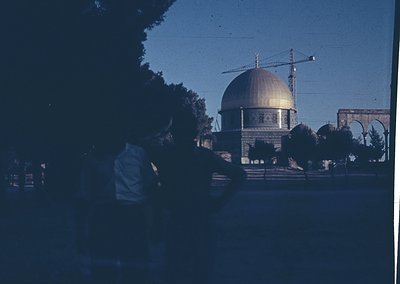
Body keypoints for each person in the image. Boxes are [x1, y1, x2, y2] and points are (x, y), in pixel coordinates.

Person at [153, 110, 246, 284]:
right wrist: (219, 203)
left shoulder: (165, 157)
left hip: (177, 219)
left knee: (175, 269)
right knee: (200, 269)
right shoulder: (205, 157)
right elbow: (239, 175)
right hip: (201, 218)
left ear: (173, 133)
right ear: (195, 133)